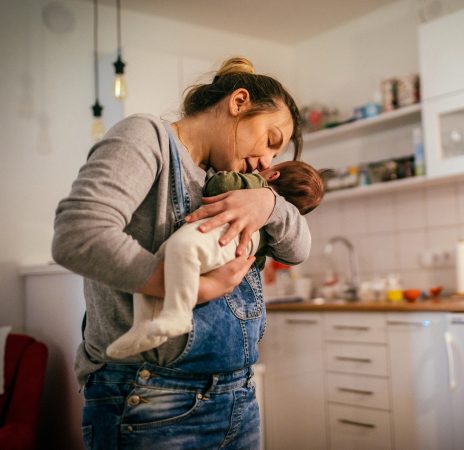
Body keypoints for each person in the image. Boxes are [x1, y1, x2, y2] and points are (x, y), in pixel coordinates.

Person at [52, 56, 310, 450]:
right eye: (271, 140)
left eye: (276, 156)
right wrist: (189, 289)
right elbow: (78, 235)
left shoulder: (236, 182)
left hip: (238, 396)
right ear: (238, 102)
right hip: (152, 400)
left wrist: (268, 205)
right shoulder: (147, 137)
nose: (266, 161)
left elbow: (298, 249)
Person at [106, 160, 325, 359]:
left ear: (273, 175)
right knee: (162, 261)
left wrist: (245, 179)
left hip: (225, 236)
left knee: (181, 248)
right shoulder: (275, 228)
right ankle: (144, 327)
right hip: (229, 248)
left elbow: (218, 186)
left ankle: (178, 314)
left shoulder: (255, 185)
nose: (264, 163)